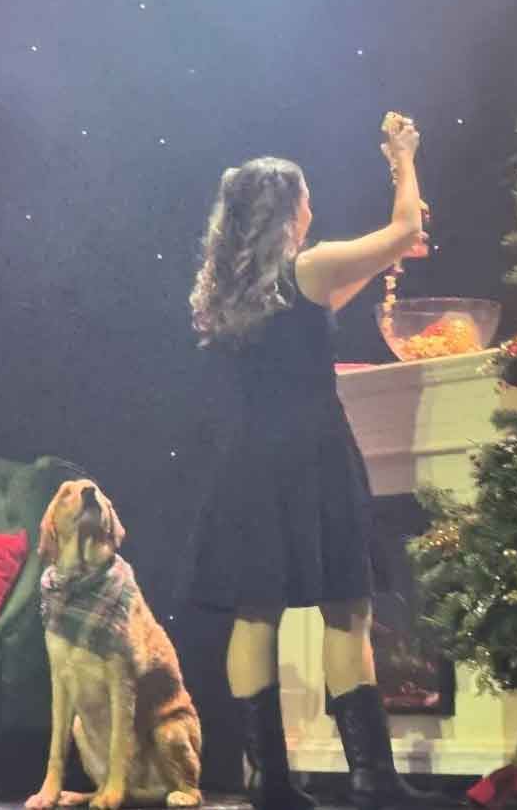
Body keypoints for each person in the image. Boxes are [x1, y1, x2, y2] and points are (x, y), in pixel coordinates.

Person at [185, 119, 436, 810]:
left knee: (255, 612)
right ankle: (373, 781)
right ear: (287, 209)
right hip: (313, 454)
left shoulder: (236, 290)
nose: (313, 208)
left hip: (246, 462)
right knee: (346, 607)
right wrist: (404, 160)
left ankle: (269, 784)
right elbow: (407, 228)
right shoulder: (312, 266)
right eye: (306, 198)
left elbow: (345, 284)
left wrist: (384, 255)